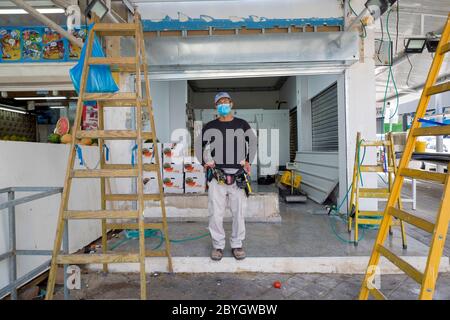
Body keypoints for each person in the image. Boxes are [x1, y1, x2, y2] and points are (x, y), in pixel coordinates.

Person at [199, 92, 256, 261]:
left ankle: (237, 244)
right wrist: (204, 161)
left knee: (238, 213)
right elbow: (197, 145)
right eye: (219, 102)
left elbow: (252, 142)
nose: (223, 105)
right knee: (215, 213)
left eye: (226, 101)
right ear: (215, 106)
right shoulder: (210, 126)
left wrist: (248, 161)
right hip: (218, 177)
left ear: (231, 104)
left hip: (238, 176)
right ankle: (218, 246)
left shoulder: (241, 124)